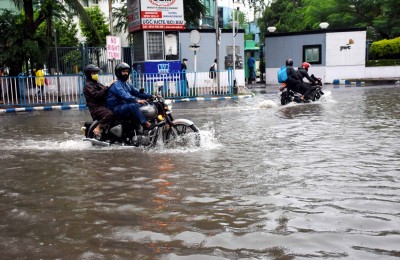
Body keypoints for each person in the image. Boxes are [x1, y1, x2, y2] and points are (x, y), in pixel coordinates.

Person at [106, 62, 158, 129]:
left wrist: (151, 96)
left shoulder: (127, 84)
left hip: (124, 106)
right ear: (118, 73)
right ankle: (145, 123)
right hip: (116, 108)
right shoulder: (116, 85)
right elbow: (124, 95)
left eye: (127, 72)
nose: (126, 73)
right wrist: (137, 100)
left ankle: (138, 127)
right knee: (134, 105)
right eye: (123, 71)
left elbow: (138, 92)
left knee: (145, 105)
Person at [83, 64, 115, 137]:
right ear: (88, 74)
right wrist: (107, 86)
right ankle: (98, 127)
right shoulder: (88, 85)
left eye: (97, 73)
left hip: (102, 104)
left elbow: (105, 89)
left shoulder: (95, 82)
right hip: (95, 107)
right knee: (110, 114)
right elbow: (97, 95)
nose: (96, 75)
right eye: (94, 73)